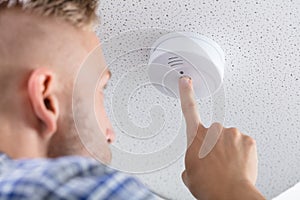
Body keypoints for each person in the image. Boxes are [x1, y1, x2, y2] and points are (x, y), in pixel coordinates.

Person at [0, 1, 266, 199]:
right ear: (46, 99)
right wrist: (231, 185)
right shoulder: (80, 189)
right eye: (101, 89)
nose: (111, 134)